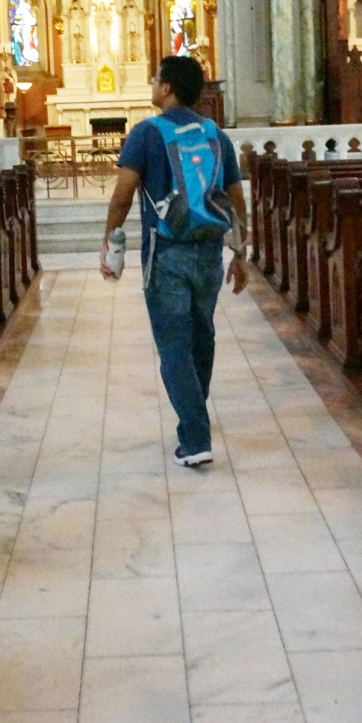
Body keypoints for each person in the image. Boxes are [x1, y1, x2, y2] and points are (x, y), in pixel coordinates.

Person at [101, 54, 247, 468]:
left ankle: (196, 435)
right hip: (209, 251)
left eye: (155, 78)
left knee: (173, 346)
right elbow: (234, 196)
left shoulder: (146, 134)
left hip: (166, 253)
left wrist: (112, 243)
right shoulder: (215, 133)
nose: (151, 83)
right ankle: (194, 423)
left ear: (166, 88)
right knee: (203, 337)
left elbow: (123, 193)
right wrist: (240, 253)